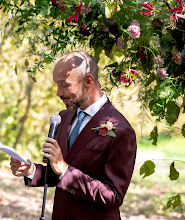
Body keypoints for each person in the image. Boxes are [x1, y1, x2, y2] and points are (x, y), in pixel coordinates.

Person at [10, 51, 137, 220]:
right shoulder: (63, 118)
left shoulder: (121, 130)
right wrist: (31, 170)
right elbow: (59, 174)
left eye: (65, 85)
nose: (58, 93)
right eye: (57, 85)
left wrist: (64, 169)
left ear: (88, 81)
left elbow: (113, 196)